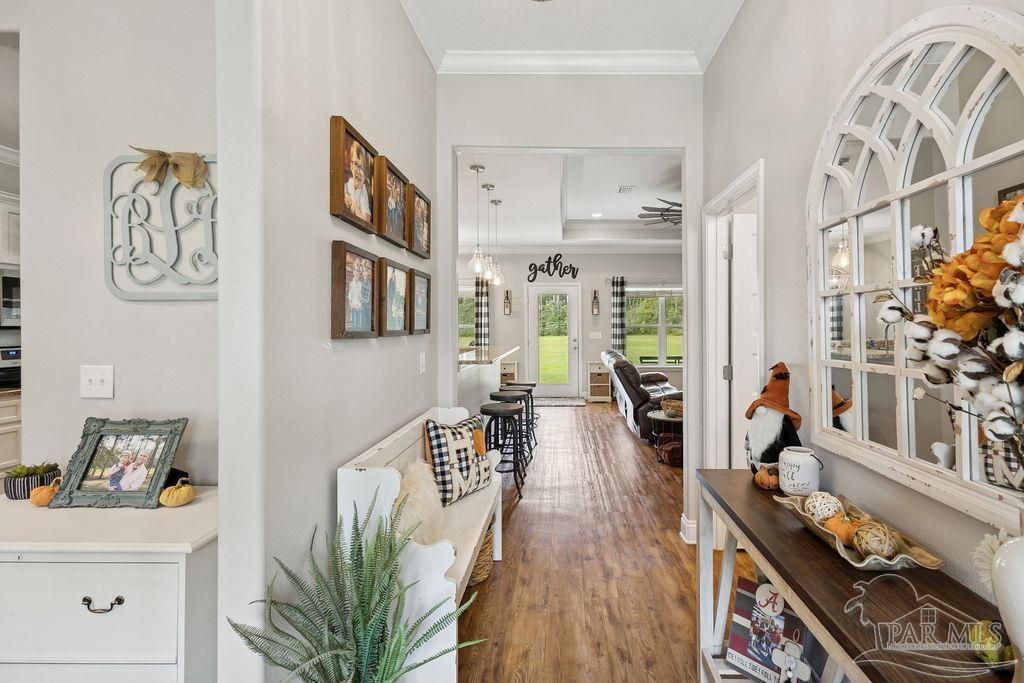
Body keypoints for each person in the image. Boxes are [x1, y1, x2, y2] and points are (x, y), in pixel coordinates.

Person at [344, 140, 372, 222]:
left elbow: (366, 220)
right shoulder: (347, 184)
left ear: (366, 174)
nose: (358, 170)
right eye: (355, 164)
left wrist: (354, 207)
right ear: (351, 166)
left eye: (361, 167)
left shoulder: (363, 191)